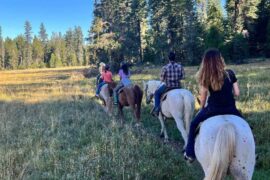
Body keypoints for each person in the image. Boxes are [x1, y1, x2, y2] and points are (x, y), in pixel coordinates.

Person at [184, 48, 243, 162]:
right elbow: (237, 93)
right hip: (231, 109)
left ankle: (190, 152)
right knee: (247, 127)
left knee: (193, 125)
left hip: (212, 109)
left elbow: (203, 97)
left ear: (205, 62)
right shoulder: (230, 73)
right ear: (220, 60)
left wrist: (201, 109)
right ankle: (254, 150)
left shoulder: (206, 76)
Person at [150, 52, 185, 117]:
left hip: (168, 86)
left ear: (168, 58)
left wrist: (164, 78)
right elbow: (183, 77)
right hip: (178, 86)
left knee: (157, 93)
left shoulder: (165, 67)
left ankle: (157, 109)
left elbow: (162, 79)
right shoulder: (180, 66)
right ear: (175, 58)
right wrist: (177, 78)